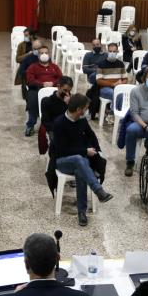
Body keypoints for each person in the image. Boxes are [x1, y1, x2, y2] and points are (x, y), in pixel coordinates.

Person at [52, 94, 114, 226]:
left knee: (80, 169)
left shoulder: (82, 120)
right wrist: (84, 151)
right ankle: (98, 190)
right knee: (79, 159)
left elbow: (92, 136)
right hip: (62, 161)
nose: (87, 111)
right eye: (85, 108)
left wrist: (98, 152)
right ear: (79, 109)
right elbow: (62, 150)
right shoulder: (59, 123)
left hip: (80, 161)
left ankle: (82, 212)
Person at [24, 44, 62, 136]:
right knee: (31, 96)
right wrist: (42, 84)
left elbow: (61, 79)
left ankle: (59, 123)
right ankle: (31, 124)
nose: (44, 54)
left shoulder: (55, 67)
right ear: (38, 55)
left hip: (54, 89)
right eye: (41, 53)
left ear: (49, 54)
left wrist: (53, 83)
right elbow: (29, 80)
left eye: (46, 53)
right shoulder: (32, 67)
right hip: (38, 89)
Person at [95, 42, 128, 122]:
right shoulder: (101, 64)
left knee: (121, 94)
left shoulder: (120, 64)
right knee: (114, 93)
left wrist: (121, 84)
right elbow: (99, 81)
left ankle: (113, 113)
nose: (112, 53)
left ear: (117, 52)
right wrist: (113, 84)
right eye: (110, 51)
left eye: (114, 51)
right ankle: (113, 115)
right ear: (107, 51)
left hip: (118, 87)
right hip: (105, 88)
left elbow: (125, 79)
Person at [40, 76, 72, 142]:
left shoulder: (71, 100)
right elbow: (45, 122)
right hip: (53, 128)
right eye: (65, 90)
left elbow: (74, 117)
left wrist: (69, 105)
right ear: (58, 86)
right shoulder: (47, 101)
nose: (67, 93)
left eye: (69, 91)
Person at [83, 38, 107, 119]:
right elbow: (85, 69)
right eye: (94, 45)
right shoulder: (88, 55)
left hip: (104, 78)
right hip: (93, 77)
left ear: (101, 45)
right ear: (91, 46)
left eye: (98, 44)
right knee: (95, 76)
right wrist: (97, 70)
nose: (96, 46)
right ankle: (95, 111)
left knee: (95, 90)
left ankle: (92, 111)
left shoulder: (106, 55)